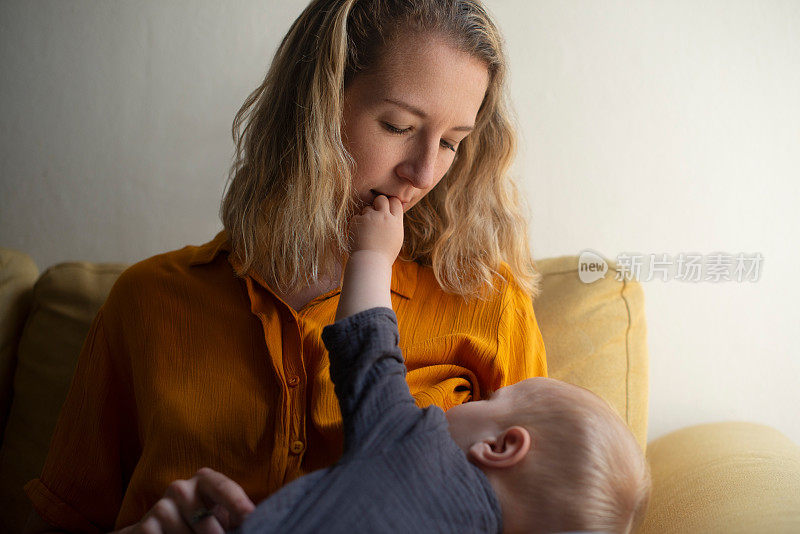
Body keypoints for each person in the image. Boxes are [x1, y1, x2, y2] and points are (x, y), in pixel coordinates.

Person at [24, 1, 549, 533]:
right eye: (397, 125)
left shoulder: (490, 303)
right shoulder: (146, 300)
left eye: (451, 142)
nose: (422, 172)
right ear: (313, 107)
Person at [235, 194, 651, 534]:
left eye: (489, 399)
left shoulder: (420, 449)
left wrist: (372, 255)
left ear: (500, 447)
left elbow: (366, 351)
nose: (470, 402)